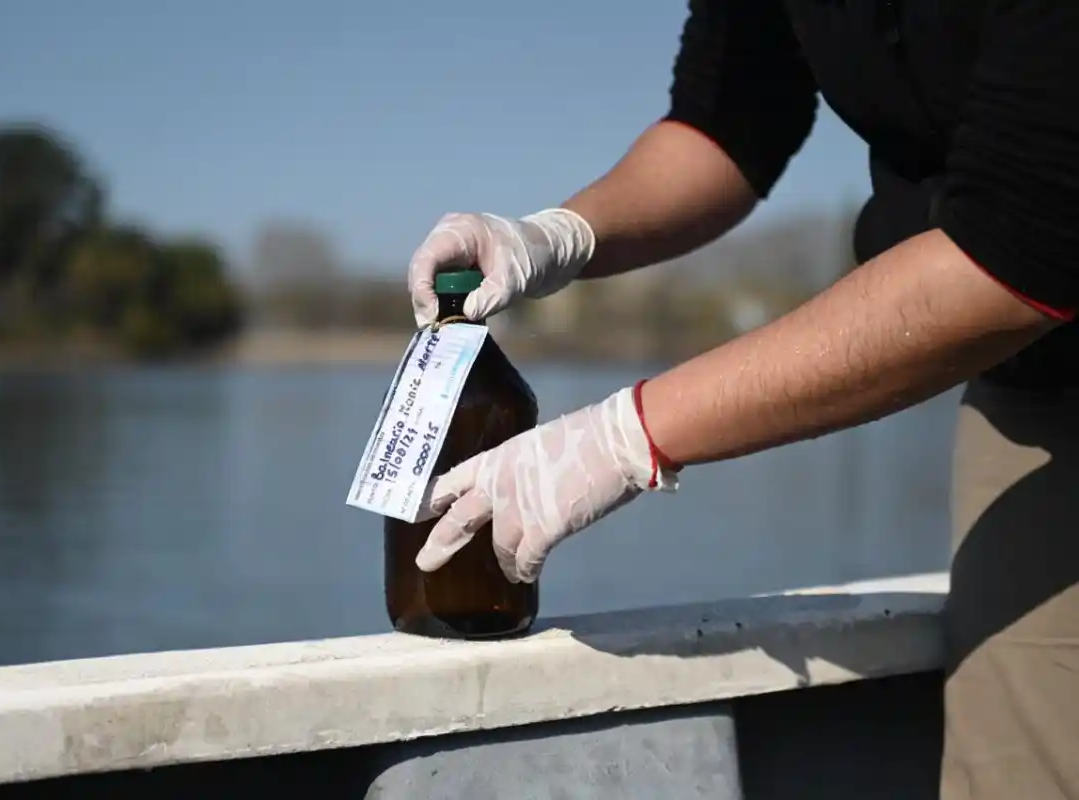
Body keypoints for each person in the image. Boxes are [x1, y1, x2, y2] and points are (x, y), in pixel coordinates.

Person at [403, 2, 1079, 798]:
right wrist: (559, 234)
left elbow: (1023, 247)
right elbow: (726, 123)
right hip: (1040, 386)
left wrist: (630, 434)